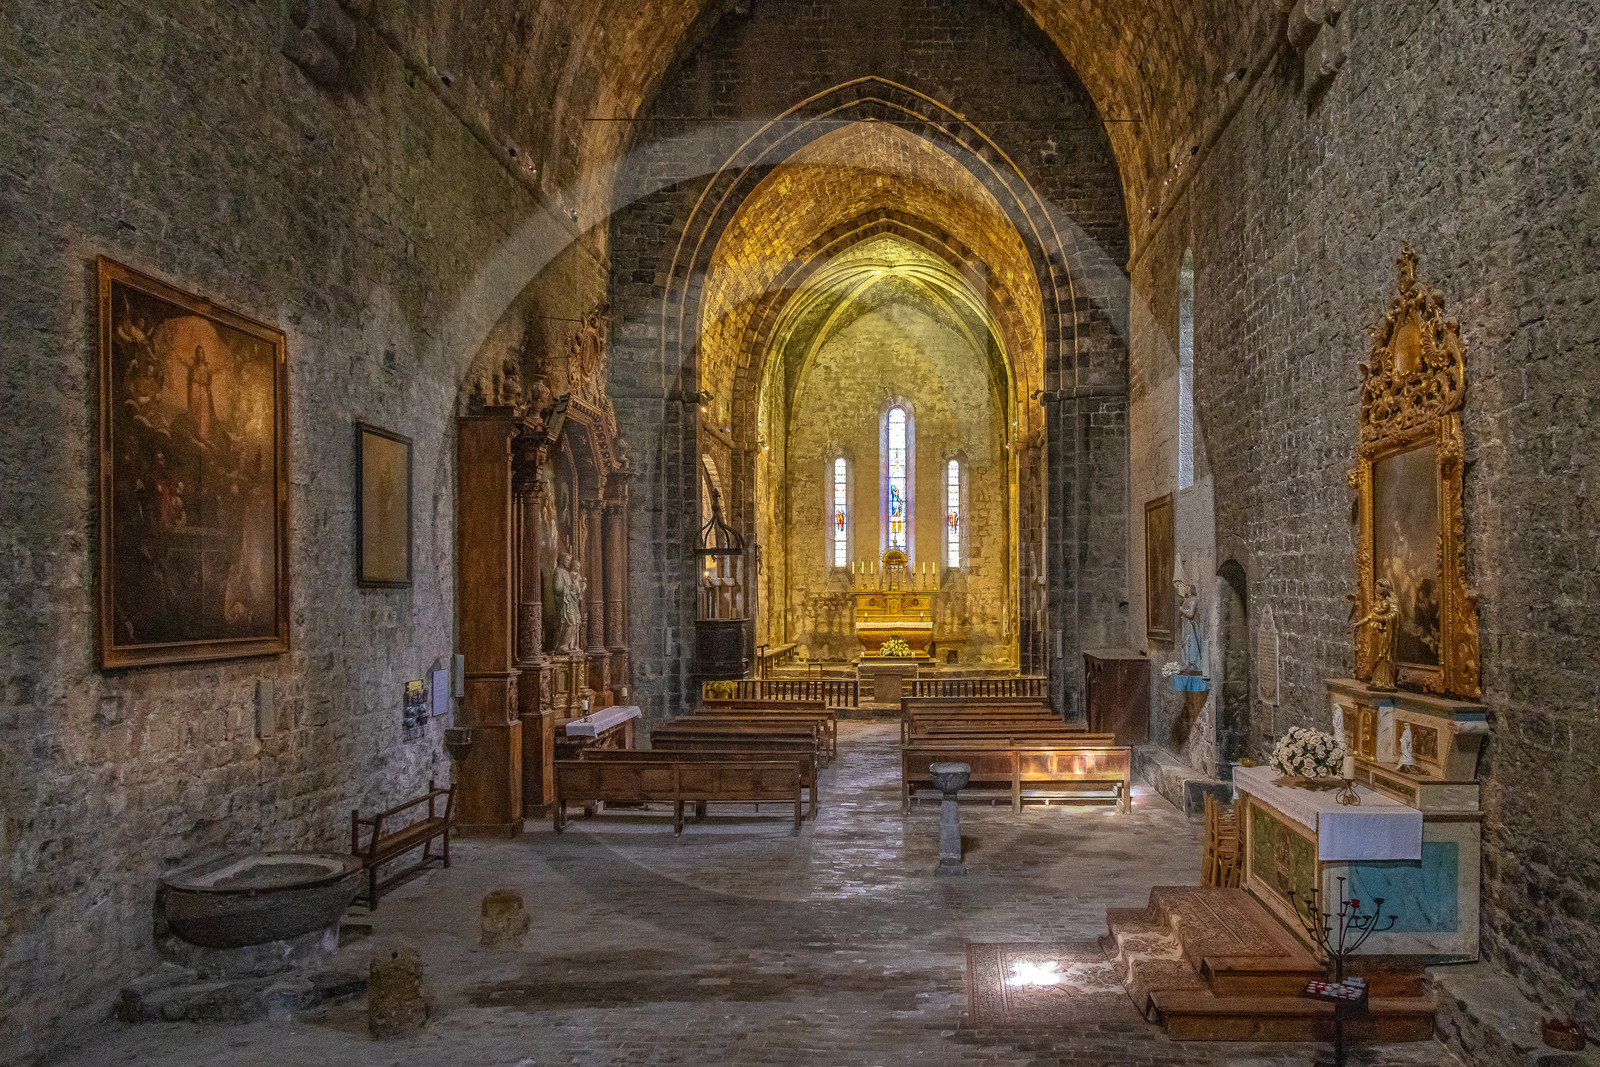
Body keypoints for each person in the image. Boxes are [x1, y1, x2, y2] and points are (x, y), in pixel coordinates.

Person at [1353, 577, 1401, 690]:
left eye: (1379, 591)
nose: (1377, 594)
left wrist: (1382, 619)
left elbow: (1394, 615)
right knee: (1374, 654)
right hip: (1376, 634)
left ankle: (1385, 681)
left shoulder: (1391, 602)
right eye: (1376, 591)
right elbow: (1370, 615)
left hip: (1385, 634)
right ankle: (1376, 679)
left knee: (1384, 656)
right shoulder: (1378, 603)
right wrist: (1359, 623)